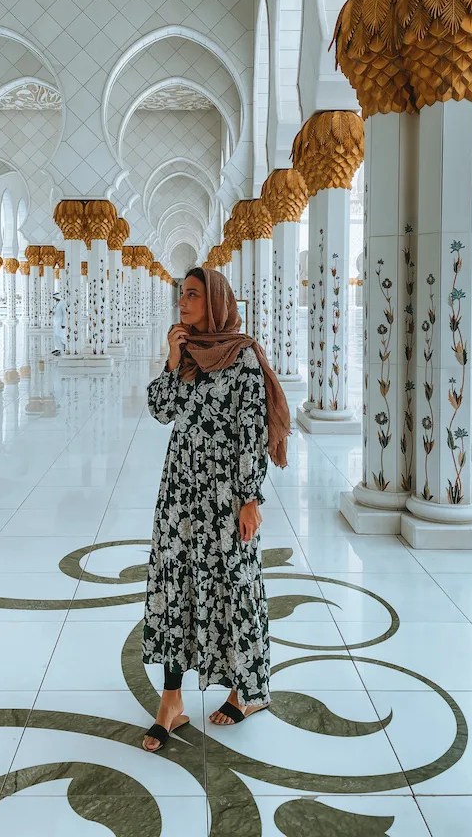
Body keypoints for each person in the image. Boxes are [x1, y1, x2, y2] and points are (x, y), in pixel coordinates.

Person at [141, 266, 291, 753]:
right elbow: (161, 411)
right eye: (181, 295)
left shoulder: (241, 357)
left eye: (193, 296)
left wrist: (250, 498)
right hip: (180, 493)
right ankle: (171, 701)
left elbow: (250, 432)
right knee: (175, 588)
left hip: (225, 498)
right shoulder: (187, 355)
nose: (182, 303)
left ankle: (247, 690)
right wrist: (170, 357)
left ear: (216, 303)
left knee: (235, 588)